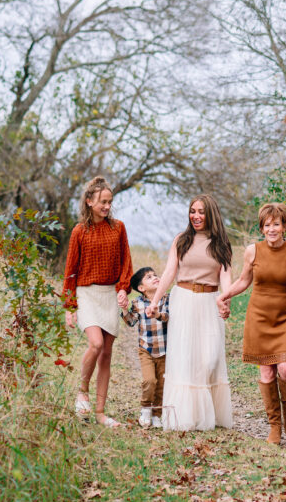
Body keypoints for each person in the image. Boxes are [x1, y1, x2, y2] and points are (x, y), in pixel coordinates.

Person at [217, 203, 286, 444]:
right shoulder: (252, 251)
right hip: (259, 316)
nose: (271, 229)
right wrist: (224, 295)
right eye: (267, 225)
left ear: (284, 227)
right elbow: (243, 280)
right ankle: (275, 425)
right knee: (267, 371)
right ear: (262, 228)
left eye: (276, 224)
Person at [146, 194, 233, 431]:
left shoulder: (221, 243)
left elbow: (225, 276)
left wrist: (225, 299)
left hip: (210, 301)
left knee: (210, 357)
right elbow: (168, 273)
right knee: (185, 357)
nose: (196, 216)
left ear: (211, 214)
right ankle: (185, 416)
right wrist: (155, 301)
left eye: (201, 211)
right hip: (183, 299)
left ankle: (209, 413)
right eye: (193, 211)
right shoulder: (181, 240)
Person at [62, 176, 133, 428]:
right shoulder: (79, 231)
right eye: (103, 202)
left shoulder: (119, 228)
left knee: (106, 354)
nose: (107, 206)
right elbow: (70, 271)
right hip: (87, 294)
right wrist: (69, 307)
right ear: (90, 201)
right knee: (95, 343)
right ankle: (82, 392)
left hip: (110, 294)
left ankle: (101, 412)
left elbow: (126, 262)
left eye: (110, 202)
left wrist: (124, 289)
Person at [120, 267, 169, 429]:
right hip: (146, 349)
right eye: (149, 277)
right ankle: (146, 408)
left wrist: (158, 315)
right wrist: (124, 309)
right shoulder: (138, 303)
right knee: (150, 380)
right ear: (141, 288)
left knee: (161, 384)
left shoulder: (166, 299)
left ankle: (157, 413)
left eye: (156, 274)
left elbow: (169, 317)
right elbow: (130, 322)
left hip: (165, 350)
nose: (155, 277)